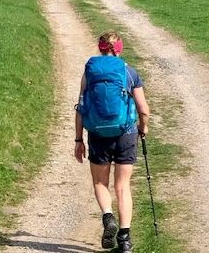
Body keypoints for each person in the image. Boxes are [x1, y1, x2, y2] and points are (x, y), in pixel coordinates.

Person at [74, 31, 150, 252]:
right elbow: (144, 110)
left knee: (100, 183)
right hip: (125, 133)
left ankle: (108, 217)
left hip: (98, 134)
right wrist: (142, 129)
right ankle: (124, 240)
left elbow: (81, 108)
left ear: (100, 48)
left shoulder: (89, 73)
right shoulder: (129, 72)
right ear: (120, 49)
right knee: (122, 186)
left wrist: (79, 139)